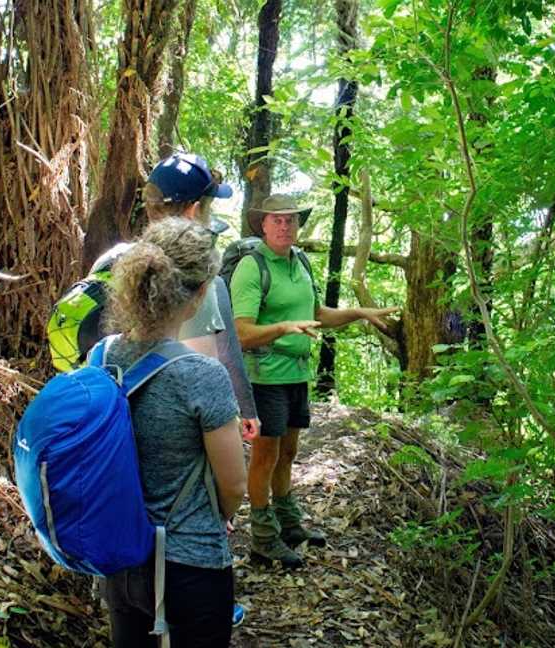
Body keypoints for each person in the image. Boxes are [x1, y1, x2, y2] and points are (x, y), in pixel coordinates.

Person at [230, 194, 398, 568]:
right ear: (263, 224)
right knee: (265, 456)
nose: (285, 226)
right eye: (277, 220)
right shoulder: (251, 267)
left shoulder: (300, 262)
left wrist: (358, 312)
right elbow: (240, 332)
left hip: (296, 374)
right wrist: (281, 328)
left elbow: (316, 314)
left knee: (288, 452)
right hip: (264, 376)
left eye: (291, 219)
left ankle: (289, 523)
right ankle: (262, 538)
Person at [101, 218, 246, 647]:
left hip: (120, 557)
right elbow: (234, 485)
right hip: (189, 564)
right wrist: (215, 514)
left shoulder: (103, 355)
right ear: (201, 293)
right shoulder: (200, 374)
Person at [91, 152, 261, 442]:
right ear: (194, 211)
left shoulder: (112, 261)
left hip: (107, 437)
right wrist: (245, 411)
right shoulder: (199, 282)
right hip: (171, 446)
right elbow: (203, 377)